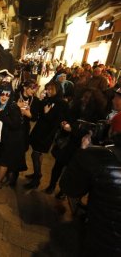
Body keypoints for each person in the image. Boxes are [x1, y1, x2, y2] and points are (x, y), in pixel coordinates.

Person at [59, 112, 121, 256]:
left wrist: (83, 152)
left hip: (100, 239)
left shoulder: (100, 157)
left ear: (113, 132)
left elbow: (69, 187)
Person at [25, 81, 68, 189]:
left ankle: (37, 178)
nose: (48, 91)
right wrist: (40, 99)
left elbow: (56, 122)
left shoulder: (61, 103)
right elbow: (38, 112)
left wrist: (46, 113)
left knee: (35, 154)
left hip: (46, 134)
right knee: (37, 154)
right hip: (39, 130)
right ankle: (36, 174)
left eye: (50, 89)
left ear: (57, 90)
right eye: (47, 89)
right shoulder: (48, 99)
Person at [0, 82, 26, 191]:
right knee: (4, 160)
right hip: (0, 138)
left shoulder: (13, 107)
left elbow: (15, 124)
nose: (4, 97)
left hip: (11, 139)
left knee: (4, 162)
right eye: (2, 94)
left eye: (7, 95)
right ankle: (9, 177)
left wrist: (1, 114)